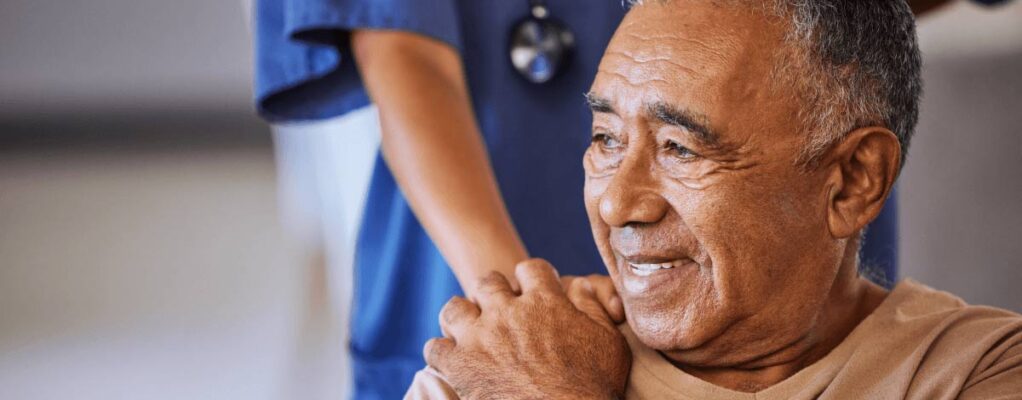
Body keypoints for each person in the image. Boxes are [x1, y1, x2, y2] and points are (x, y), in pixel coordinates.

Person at [407, 1, 1022, 398]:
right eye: (605, 140)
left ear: (854, 180)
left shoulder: (975, 370)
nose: (619, 204)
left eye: (681, 149)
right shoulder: (499, 369)